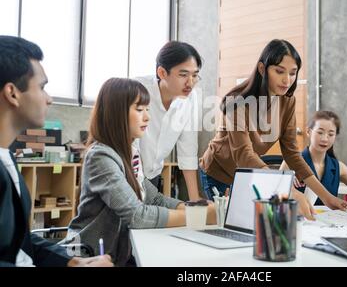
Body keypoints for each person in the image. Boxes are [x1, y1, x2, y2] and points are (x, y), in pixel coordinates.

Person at [66, 78, 215, 266]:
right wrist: (198, 217)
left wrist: (195, 207)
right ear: (116, 114)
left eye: (147, 109)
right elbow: (138, 216)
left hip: (118, 252)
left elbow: (154, 198)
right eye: (139, 110)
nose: (147, 117)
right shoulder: (101, 157)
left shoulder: (130, 153)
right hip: (90, 255)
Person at [199, 39, 347, 220]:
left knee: (252, 225)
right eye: (279, 71)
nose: (287, 80)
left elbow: (292, 154)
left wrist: (327, 197)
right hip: (218, 173)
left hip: (248, 173)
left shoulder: (287, 102)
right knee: (228, 223)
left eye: (293, 73)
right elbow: (244, 155)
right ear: (262, 69)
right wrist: (287, 188)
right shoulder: (237, 102)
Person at [0, 35, 112, 267]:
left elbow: (19, 242)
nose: (49, 99)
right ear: (12, 93)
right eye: (42, 87)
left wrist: (73, 263)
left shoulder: (7, 157)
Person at [135, 41, 202, 200]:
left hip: (153, 176)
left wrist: (195, 200)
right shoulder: (138, 90)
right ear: (162, 72)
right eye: (183, 75)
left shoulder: (191, 98)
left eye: (194, 75)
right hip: (128, 174)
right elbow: (130, 148)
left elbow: (188, 151)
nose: (190, 83)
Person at [280, 111, 347, 205]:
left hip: (329, 219)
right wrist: (288, 185)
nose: (325, 139)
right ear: (308, 132)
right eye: (320, 132)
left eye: (330, 134)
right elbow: (274, 192)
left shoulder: (338, 167)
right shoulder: (291, 161)